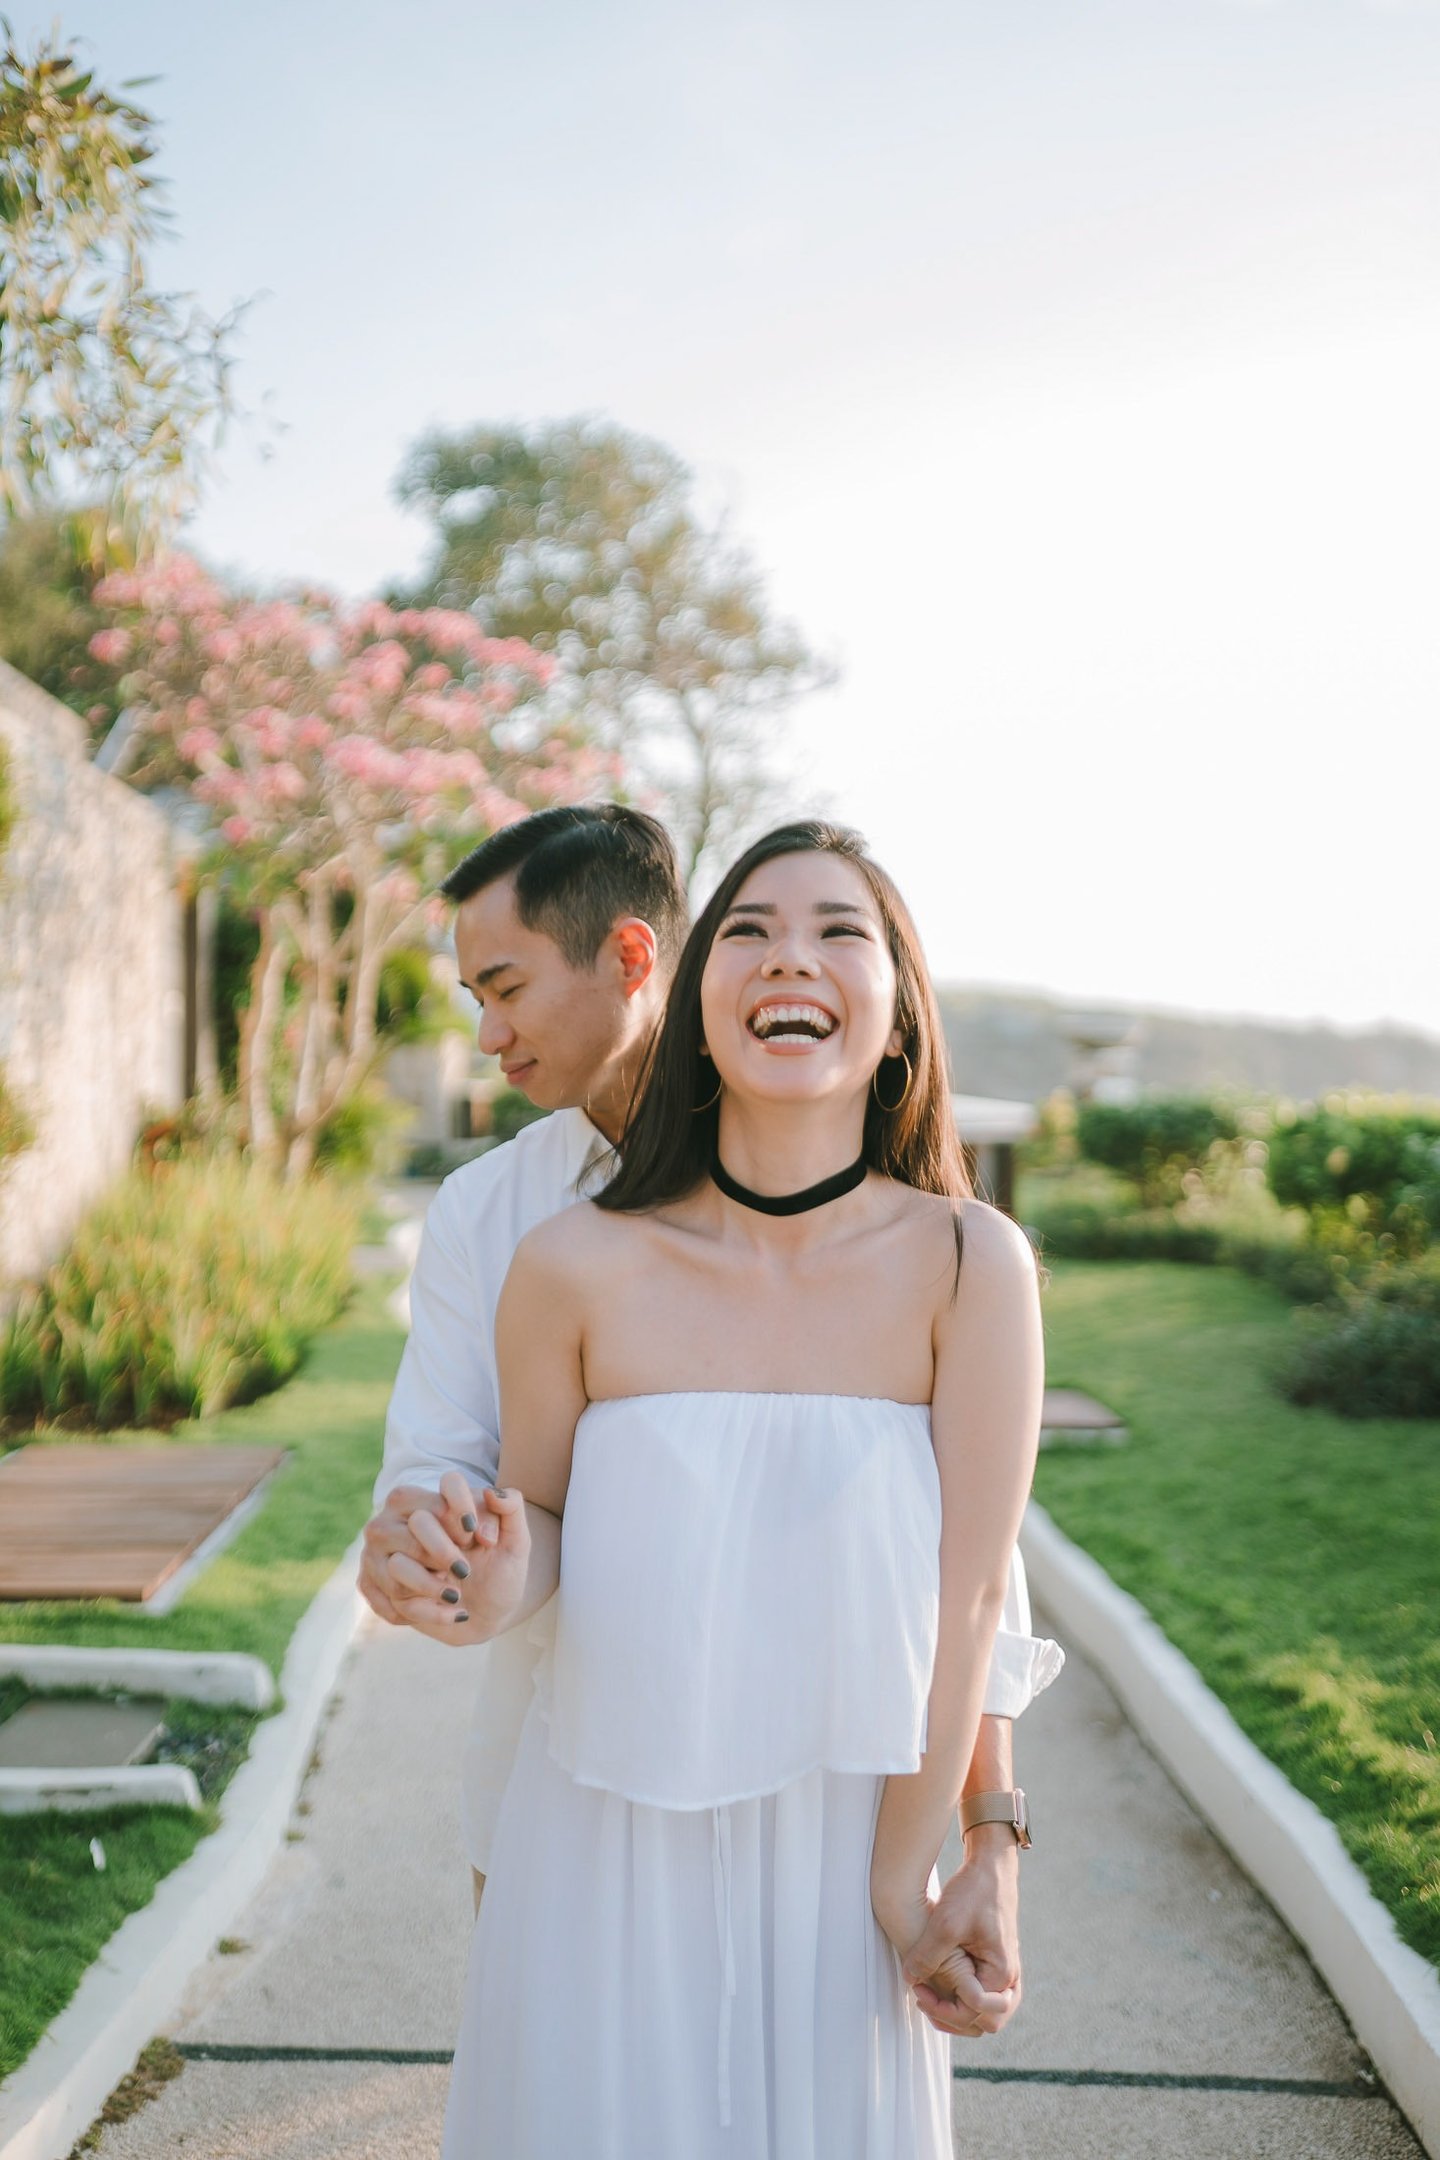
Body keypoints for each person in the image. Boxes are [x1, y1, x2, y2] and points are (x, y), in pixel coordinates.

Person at [386, 818, 1056, 2157]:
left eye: (836, 932)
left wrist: (949, 1854)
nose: (783, 958)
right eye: (746, 929)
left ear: (900, 1016)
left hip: (851, 1850)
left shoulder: (975, 1266)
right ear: (695, 994)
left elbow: (973, 1587)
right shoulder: (552, 1253)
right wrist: (451, 1557)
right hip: (597, 1823)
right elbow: (528, 1525)